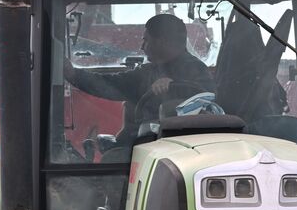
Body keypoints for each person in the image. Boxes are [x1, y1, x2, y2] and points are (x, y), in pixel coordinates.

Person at [65, 14, 214, 135]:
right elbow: (108, 84)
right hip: (145, 141)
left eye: (146, 40)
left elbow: (209, 102)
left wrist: (173, 85)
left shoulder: (197, 70)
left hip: (178, 144)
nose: (142, 46)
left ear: (162, 42)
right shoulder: (146, 73)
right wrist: (73, 75)